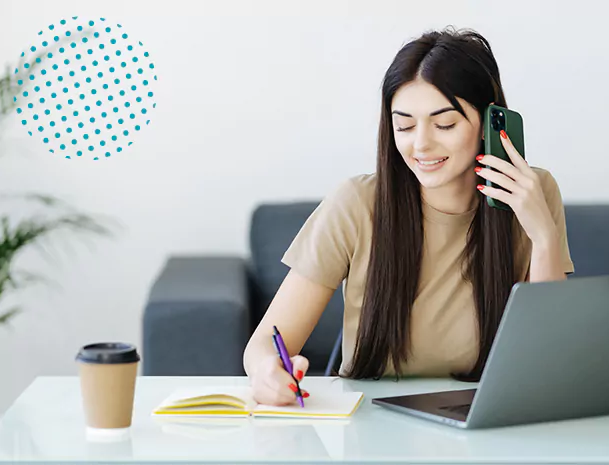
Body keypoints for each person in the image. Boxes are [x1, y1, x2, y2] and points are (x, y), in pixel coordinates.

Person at [243, 27, 574, 406]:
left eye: (444, 124)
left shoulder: (533, 192)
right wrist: (267, 371)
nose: (421, 144)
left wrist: (543, 238)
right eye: (404, 125)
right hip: (373, 430)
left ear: (488, 121)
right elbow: (264, 345)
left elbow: (550, 360)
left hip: (486, 426)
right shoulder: (356, 203)